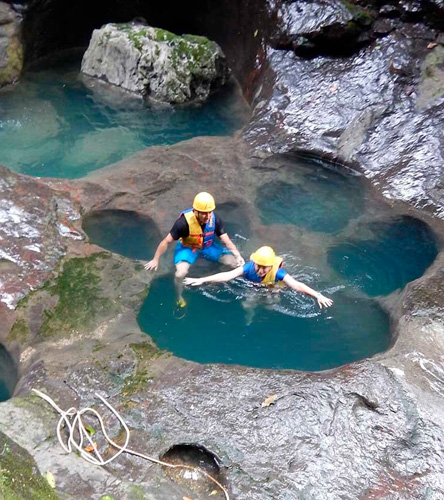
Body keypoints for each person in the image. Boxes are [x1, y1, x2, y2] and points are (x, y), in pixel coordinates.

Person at [145, 192, 244, 313]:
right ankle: (179, 296)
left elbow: (226, 240)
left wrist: (237, 255)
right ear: (195, 211)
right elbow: (166, 242)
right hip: (188, 247)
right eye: (204, 213)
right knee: (180, 274)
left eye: (209, 212)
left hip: (208, 246)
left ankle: (217, 277)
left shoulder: (215, 219)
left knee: (234, 263)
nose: (207, 216)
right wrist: (156, 259)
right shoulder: (183, 223)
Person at [184, 245, 333, 312]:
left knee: (271, 303)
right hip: (254, 285)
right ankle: (250, 317)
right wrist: (202, 280)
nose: (261, 270)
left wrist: (318, 295)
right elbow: (227, 276)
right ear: (254, 262)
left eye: (265, 267)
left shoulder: (278, 273)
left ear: (271, 266)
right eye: (258, 266)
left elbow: (296, 285)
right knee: (247, 305)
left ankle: (269, 306)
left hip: (273, 285)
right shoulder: (248, 268)